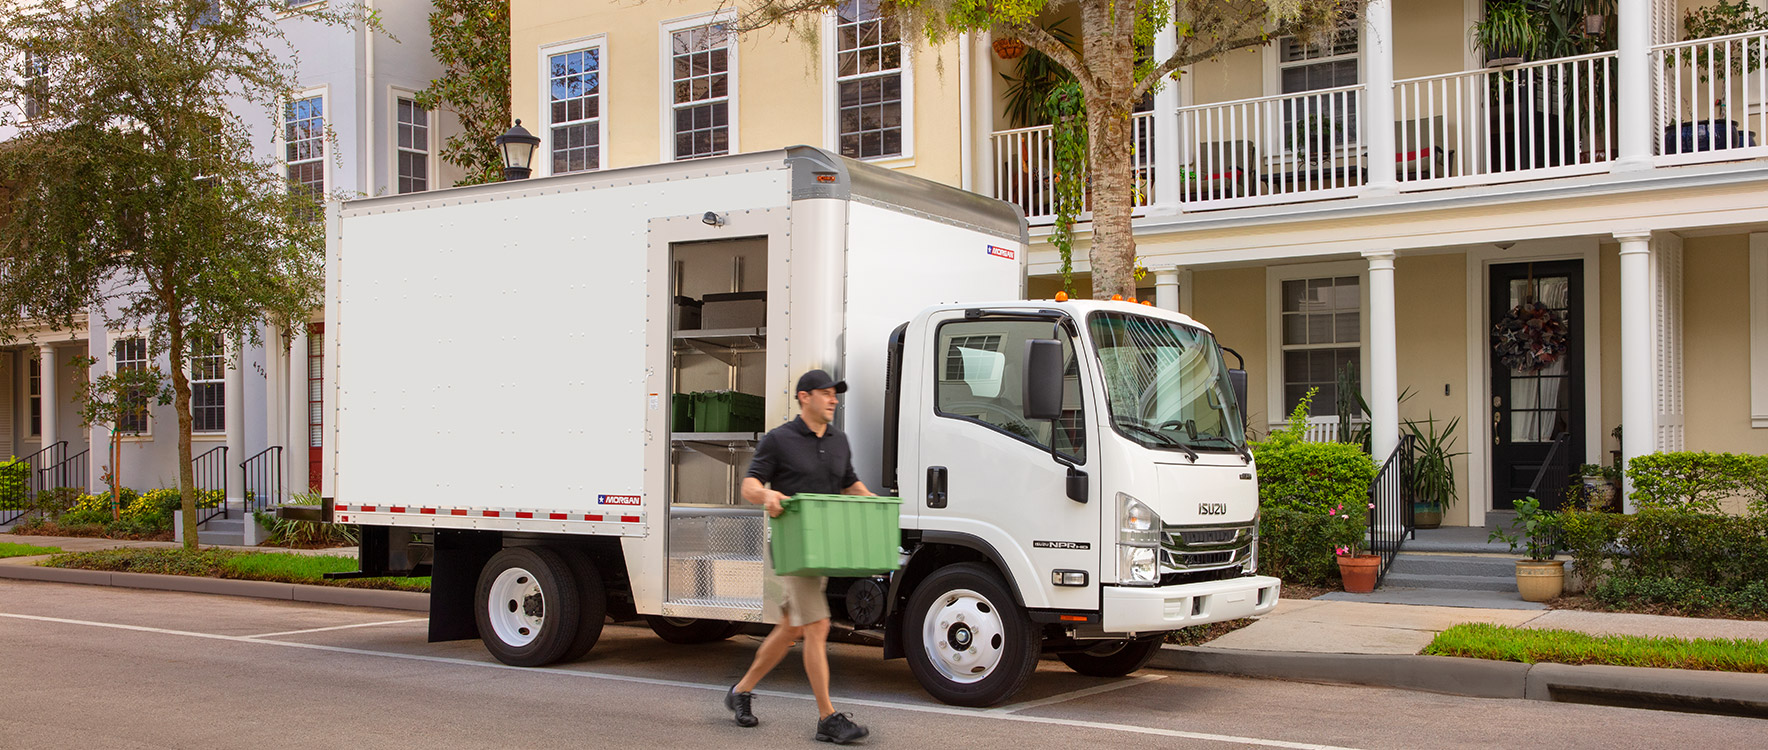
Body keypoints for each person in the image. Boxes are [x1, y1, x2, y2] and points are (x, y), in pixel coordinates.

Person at [724, 368, 872, 745]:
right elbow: (750, 485)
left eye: (835, 394)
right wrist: (768, 496)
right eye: (826, 393)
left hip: (825, 546)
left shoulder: (840, 440)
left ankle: (740, 691)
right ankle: (828, 718)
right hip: (793, 547)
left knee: (792, 626)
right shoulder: (779, 439)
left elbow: (848, 482)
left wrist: (873, 503)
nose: (834, 399)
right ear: (804, 397)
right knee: (818, 626)